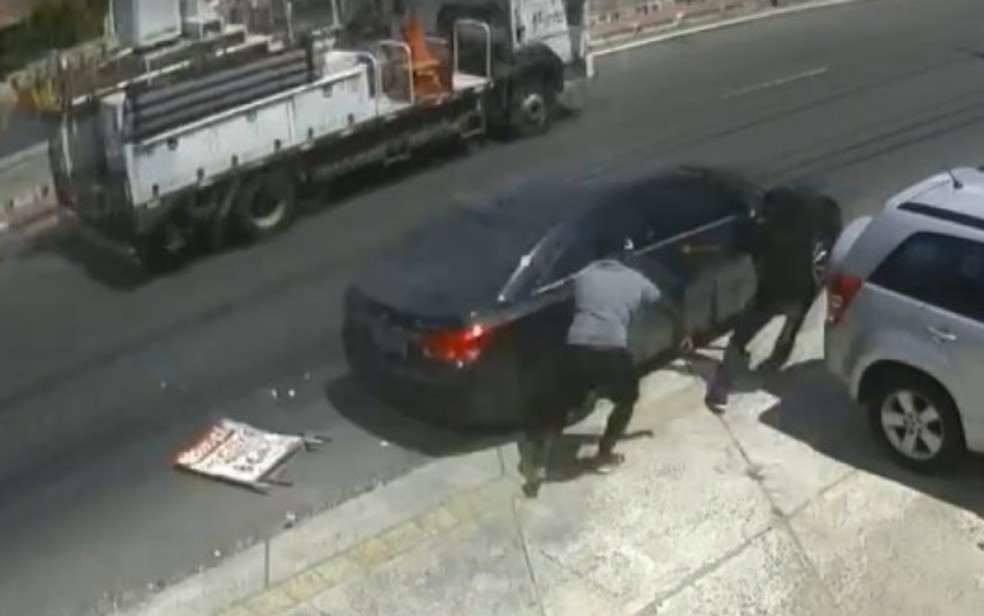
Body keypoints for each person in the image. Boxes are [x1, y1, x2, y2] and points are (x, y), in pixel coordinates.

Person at [520, 236, 689, 496]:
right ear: (624, 256)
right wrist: (682, 332)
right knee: (625, 403)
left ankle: (539, 459)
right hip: (612, 353)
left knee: (562, 407)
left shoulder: (583, 275)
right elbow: (668, 307)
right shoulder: (637, 280)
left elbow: (555, 297)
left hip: (576, 350)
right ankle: (603, 455)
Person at [704, 185, 842, 410]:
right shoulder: (808, 220)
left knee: (740, 337)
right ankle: (775, 363)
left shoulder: (766, 232)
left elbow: (738, 245)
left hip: (771, 295)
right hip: (803, 292)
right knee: (790, 330)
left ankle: (722, 386)